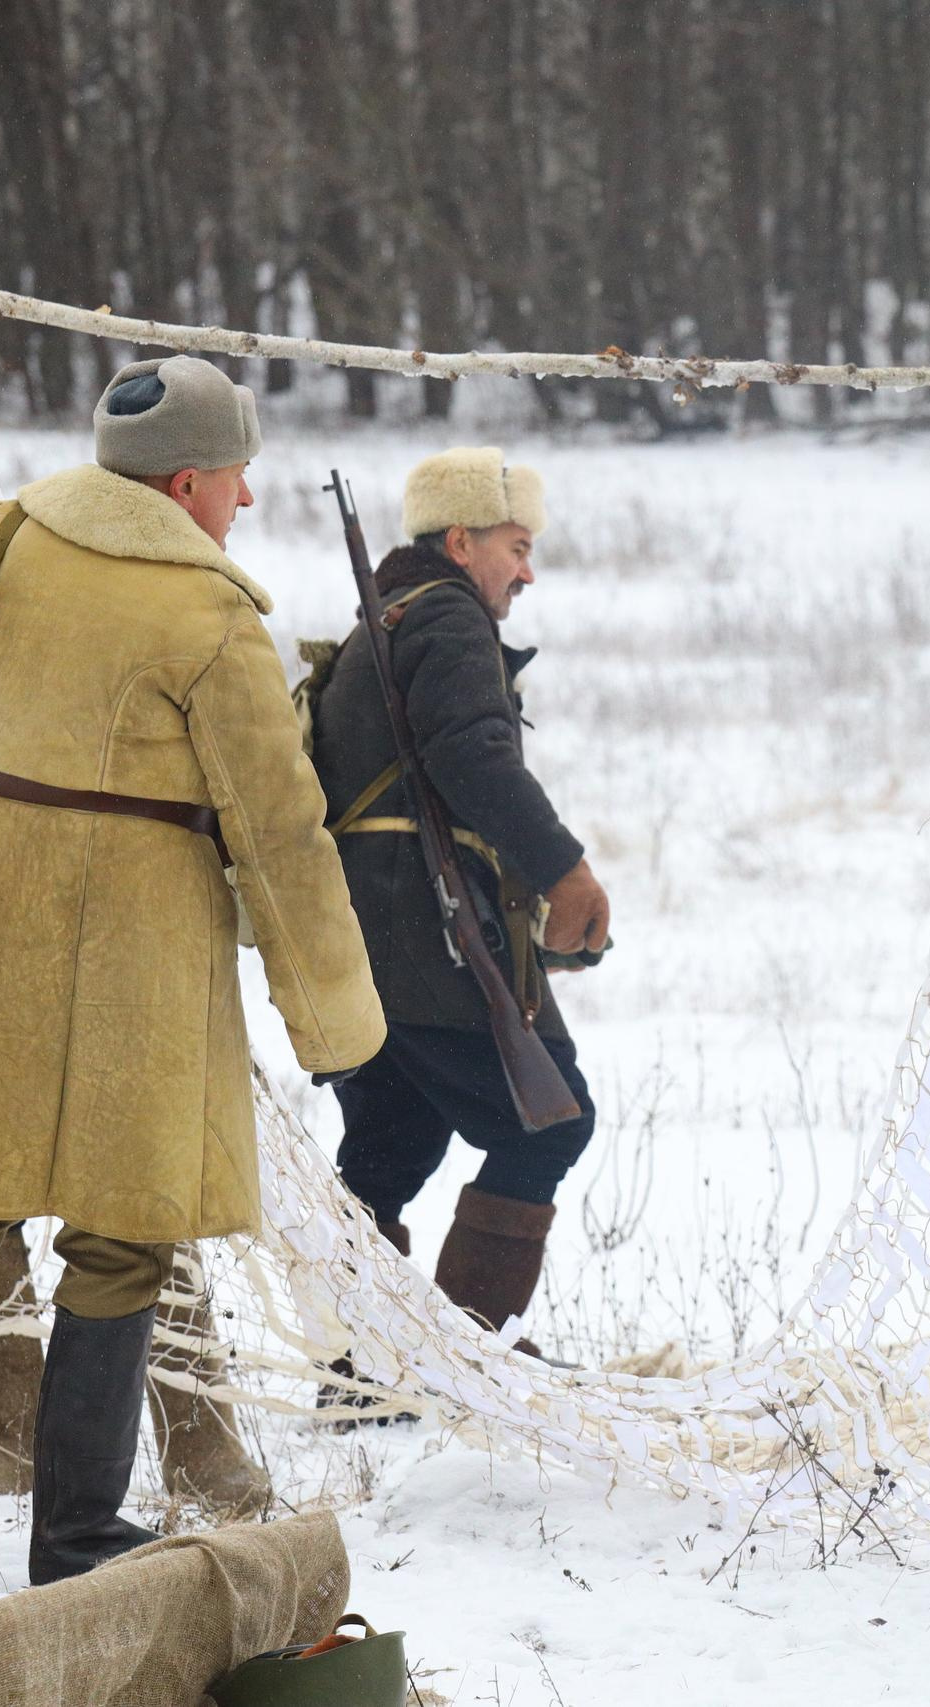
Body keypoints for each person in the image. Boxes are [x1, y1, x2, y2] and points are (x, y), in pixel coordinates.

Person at [0, 356, 384, 1586]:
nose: (246, 506)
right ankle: (76, 1537)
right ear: (186, 480)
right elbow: (279, 834)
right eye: (238, 481)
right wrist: (334, 1018)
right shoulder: (208, 617)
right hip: (134, 951)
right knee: (122, 1232)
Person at [311, 447, 609, 1351]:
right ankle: (470, 1361)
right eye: (515, 546)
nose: (527, 570)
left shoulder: (390, 617)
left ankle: (366, 1372)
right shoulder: (445, 614)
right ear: (459, 541)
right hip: (426, 940)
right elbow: (472, 756)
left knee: (388, 1152)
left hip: (370, 943)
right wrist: (565, 870)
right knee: (552, 1124)